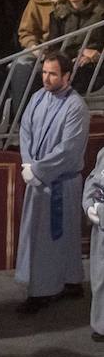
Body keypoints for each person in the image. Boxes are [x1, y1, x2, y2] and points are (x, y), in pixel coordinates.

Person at [15, 52, 89, 313]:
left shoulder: (76, 107)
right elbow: (24, 130)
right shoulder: (37, 97)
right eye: (44, 72)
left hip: (60, 183)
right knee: (43, 237)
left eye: (53, 74)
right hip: (37, 178)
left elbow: (68, 149)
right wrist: (27, 163)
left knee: (52, 239)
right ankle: (70, 280)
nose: (46, 78)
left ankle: (43, 292)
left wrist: (38, 169)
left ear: (67, 76)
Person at [85, 145, 104, 342]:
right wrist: (89, 205)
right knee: (99, 276)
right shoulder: (103, 153)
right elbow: (92, 181)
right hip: (100, 227)